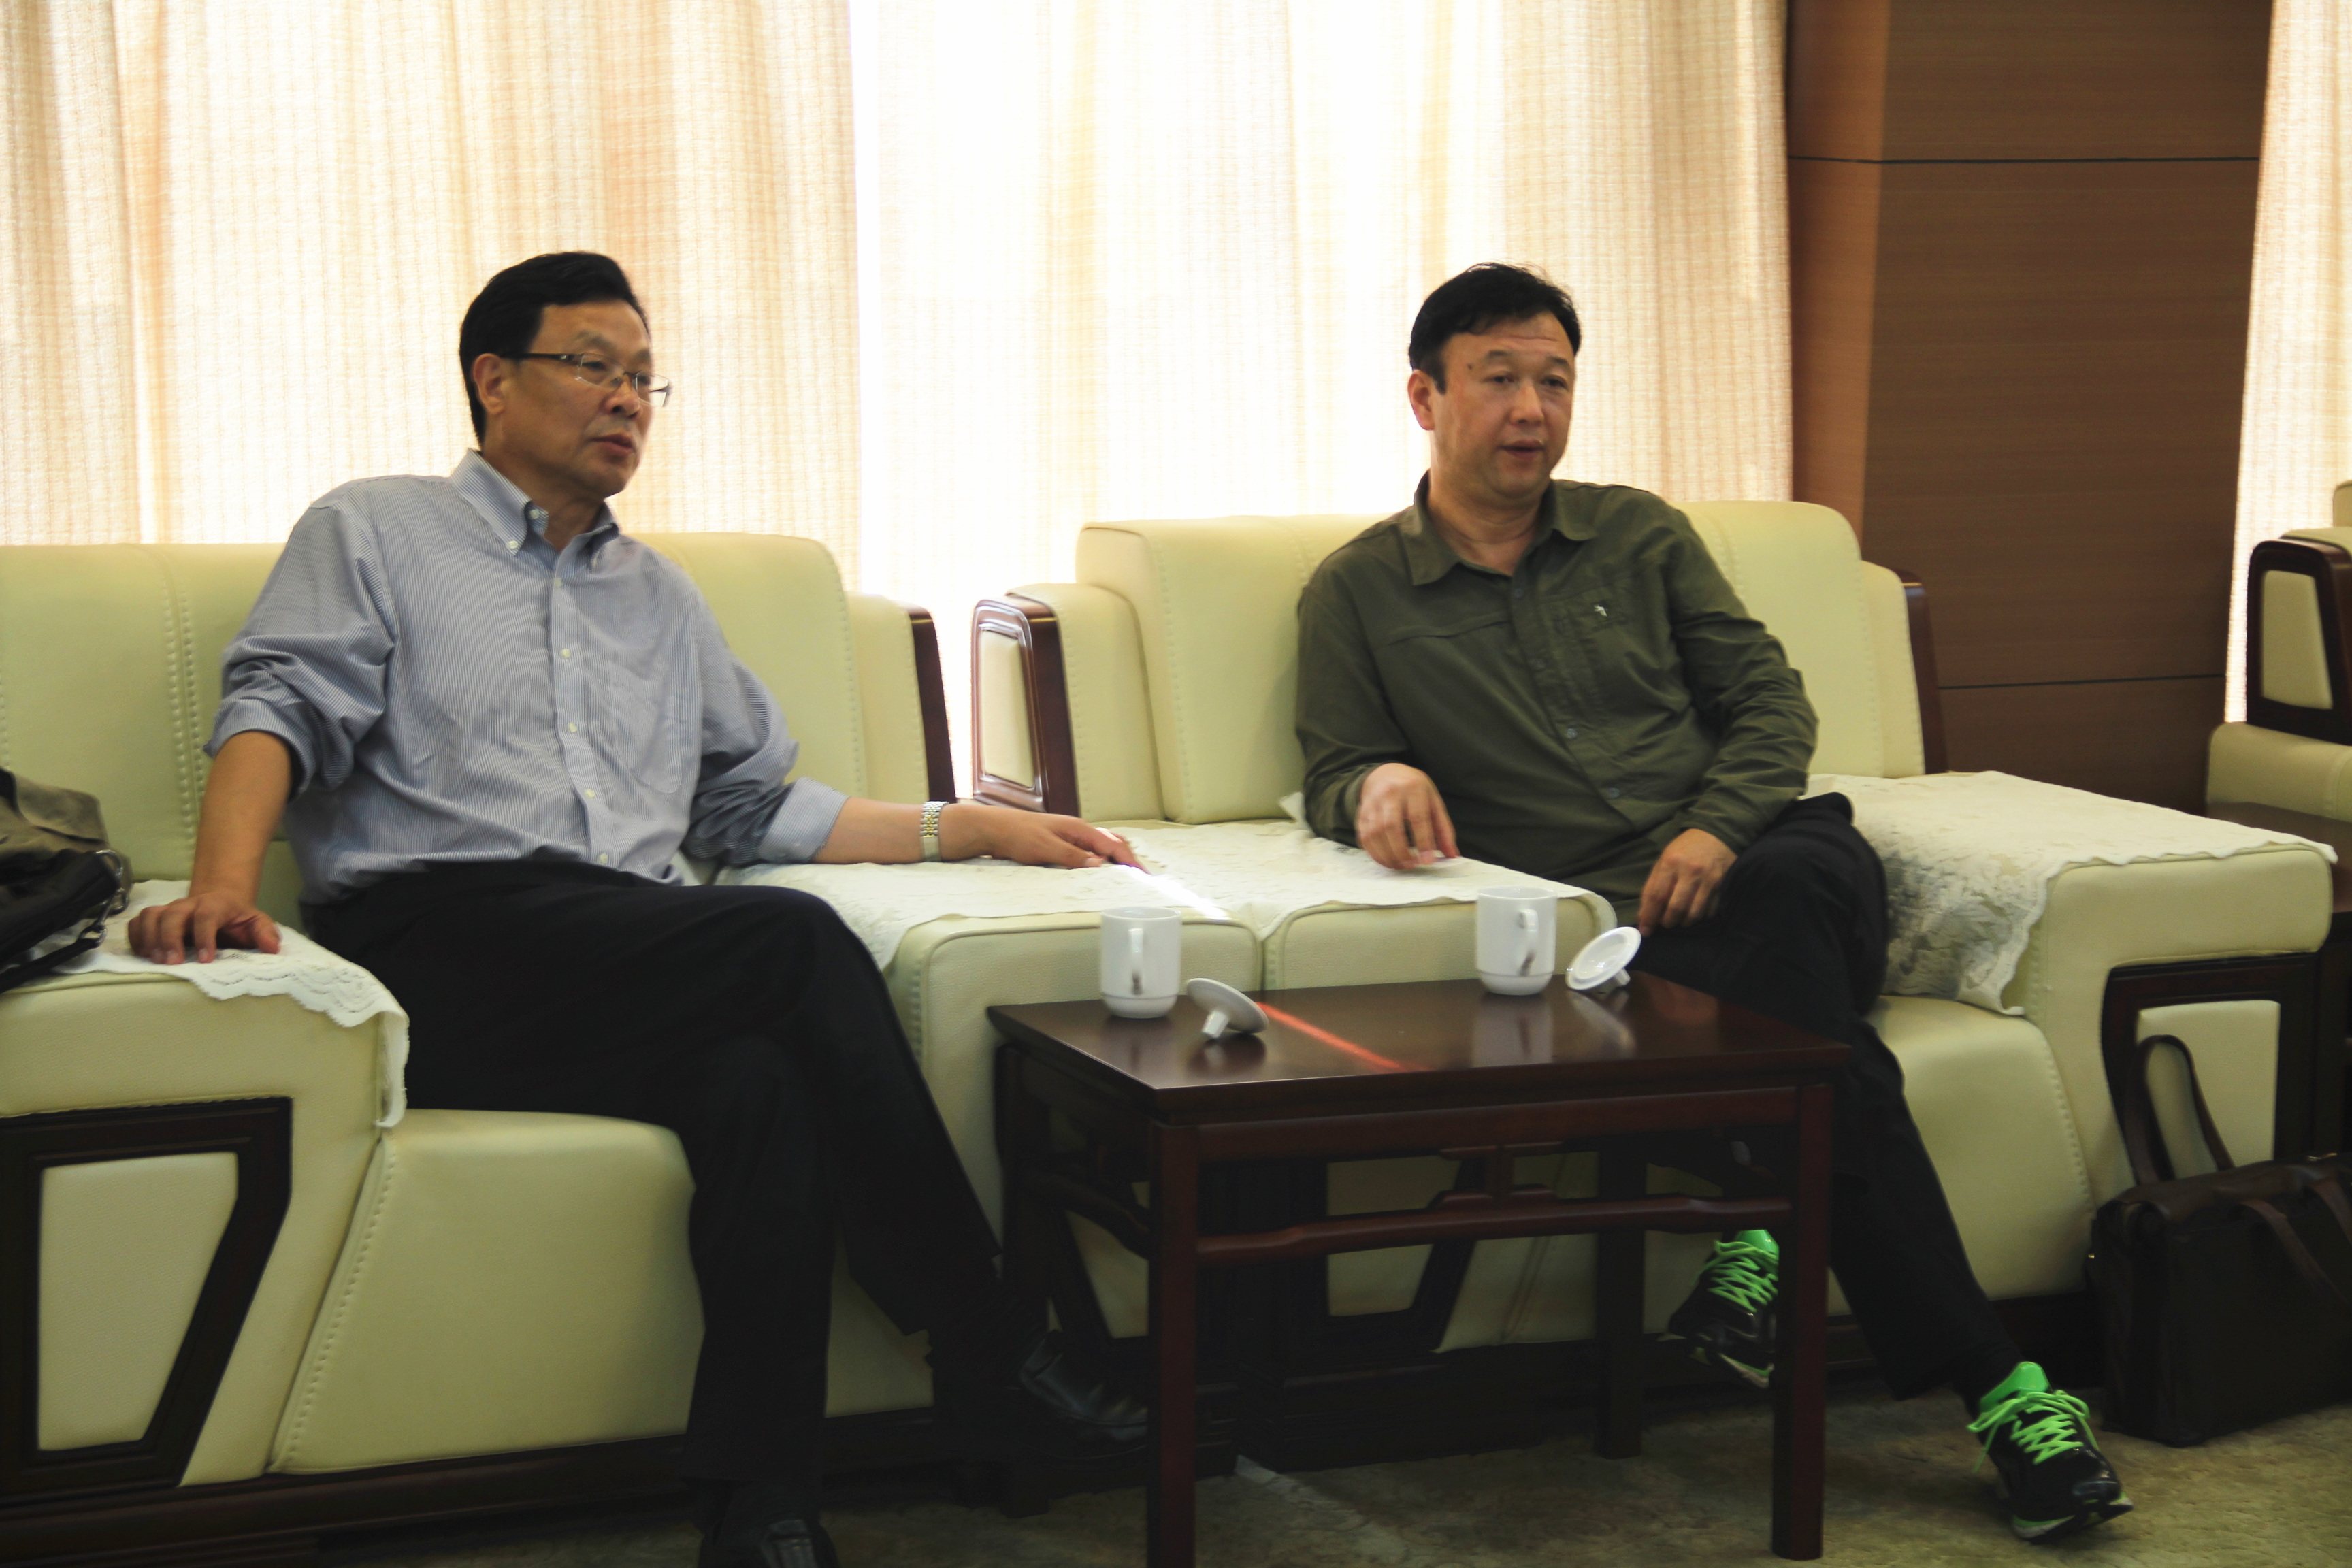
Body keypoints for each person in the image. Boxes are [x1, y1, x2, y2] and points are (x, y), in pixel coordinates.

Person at [129, 252, 1143, 1568]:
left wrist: (976, 826)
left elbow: (745, 806)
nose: (626, 400)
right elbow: (276, 705)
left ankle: (763, 1510)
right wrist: (219, 888)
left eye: (644, 379)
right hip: (444, 943)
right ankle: (988, 1342)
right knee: (789, 942)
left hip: (619, 953)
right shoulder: (374, 531)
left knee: (758, 1085)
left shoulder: (658, 597)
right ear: (494, 382)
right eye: (591, 367)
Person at [1294, 262, 2132, 1544]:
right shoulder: (1357, 592)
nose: (1531, 409)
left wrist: (1716, 825)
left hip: (1775, 858)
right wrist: (1379, 780)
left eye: (1555, 381)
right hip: (1630, 930)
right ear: (1426, 397)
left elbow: (1771, 704)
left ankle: (1770, 1226)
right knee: (1826, 1065)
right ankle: (2000, 1387)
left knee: (1792, 899)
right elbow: (1334, 766)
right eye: (1499, 378)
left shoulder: (1639, 535)